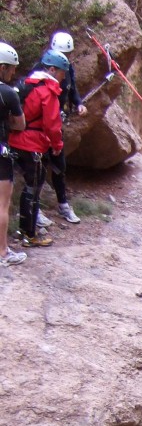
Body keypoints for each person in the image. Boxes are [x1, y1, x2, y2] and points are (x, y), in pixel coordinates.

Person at [9, 49, 71, 247]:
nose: (63, 77)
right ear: (52, 70)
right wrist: (57, 146)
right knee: (33, 188)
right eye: (62, 72)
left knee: (29, 186)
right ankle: (30, 234)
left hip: (15, 139)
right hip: (32, 143)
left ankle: (23, 229)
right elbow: (52, 125)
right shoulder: (47, 91)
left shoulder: (27, 83)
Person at [30, 31, 85, 225]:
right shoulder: (41, 70)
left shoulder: (67, 68)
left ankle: (63, 205)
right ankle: (35, 211)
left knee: (59, 166)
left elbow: (72, 88)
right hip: (39, 126)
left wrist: (77, 103)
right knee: (39, 167)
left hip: (55, 122)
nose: (65, 58)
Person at [0, 42, 26, 266]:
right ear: (1, 68)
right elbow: (19, 125)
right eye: (11, 68)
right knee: (2, 205)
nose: (13, 72)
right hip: (1, 154)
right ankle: (2, 252)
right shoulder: (8, 93)